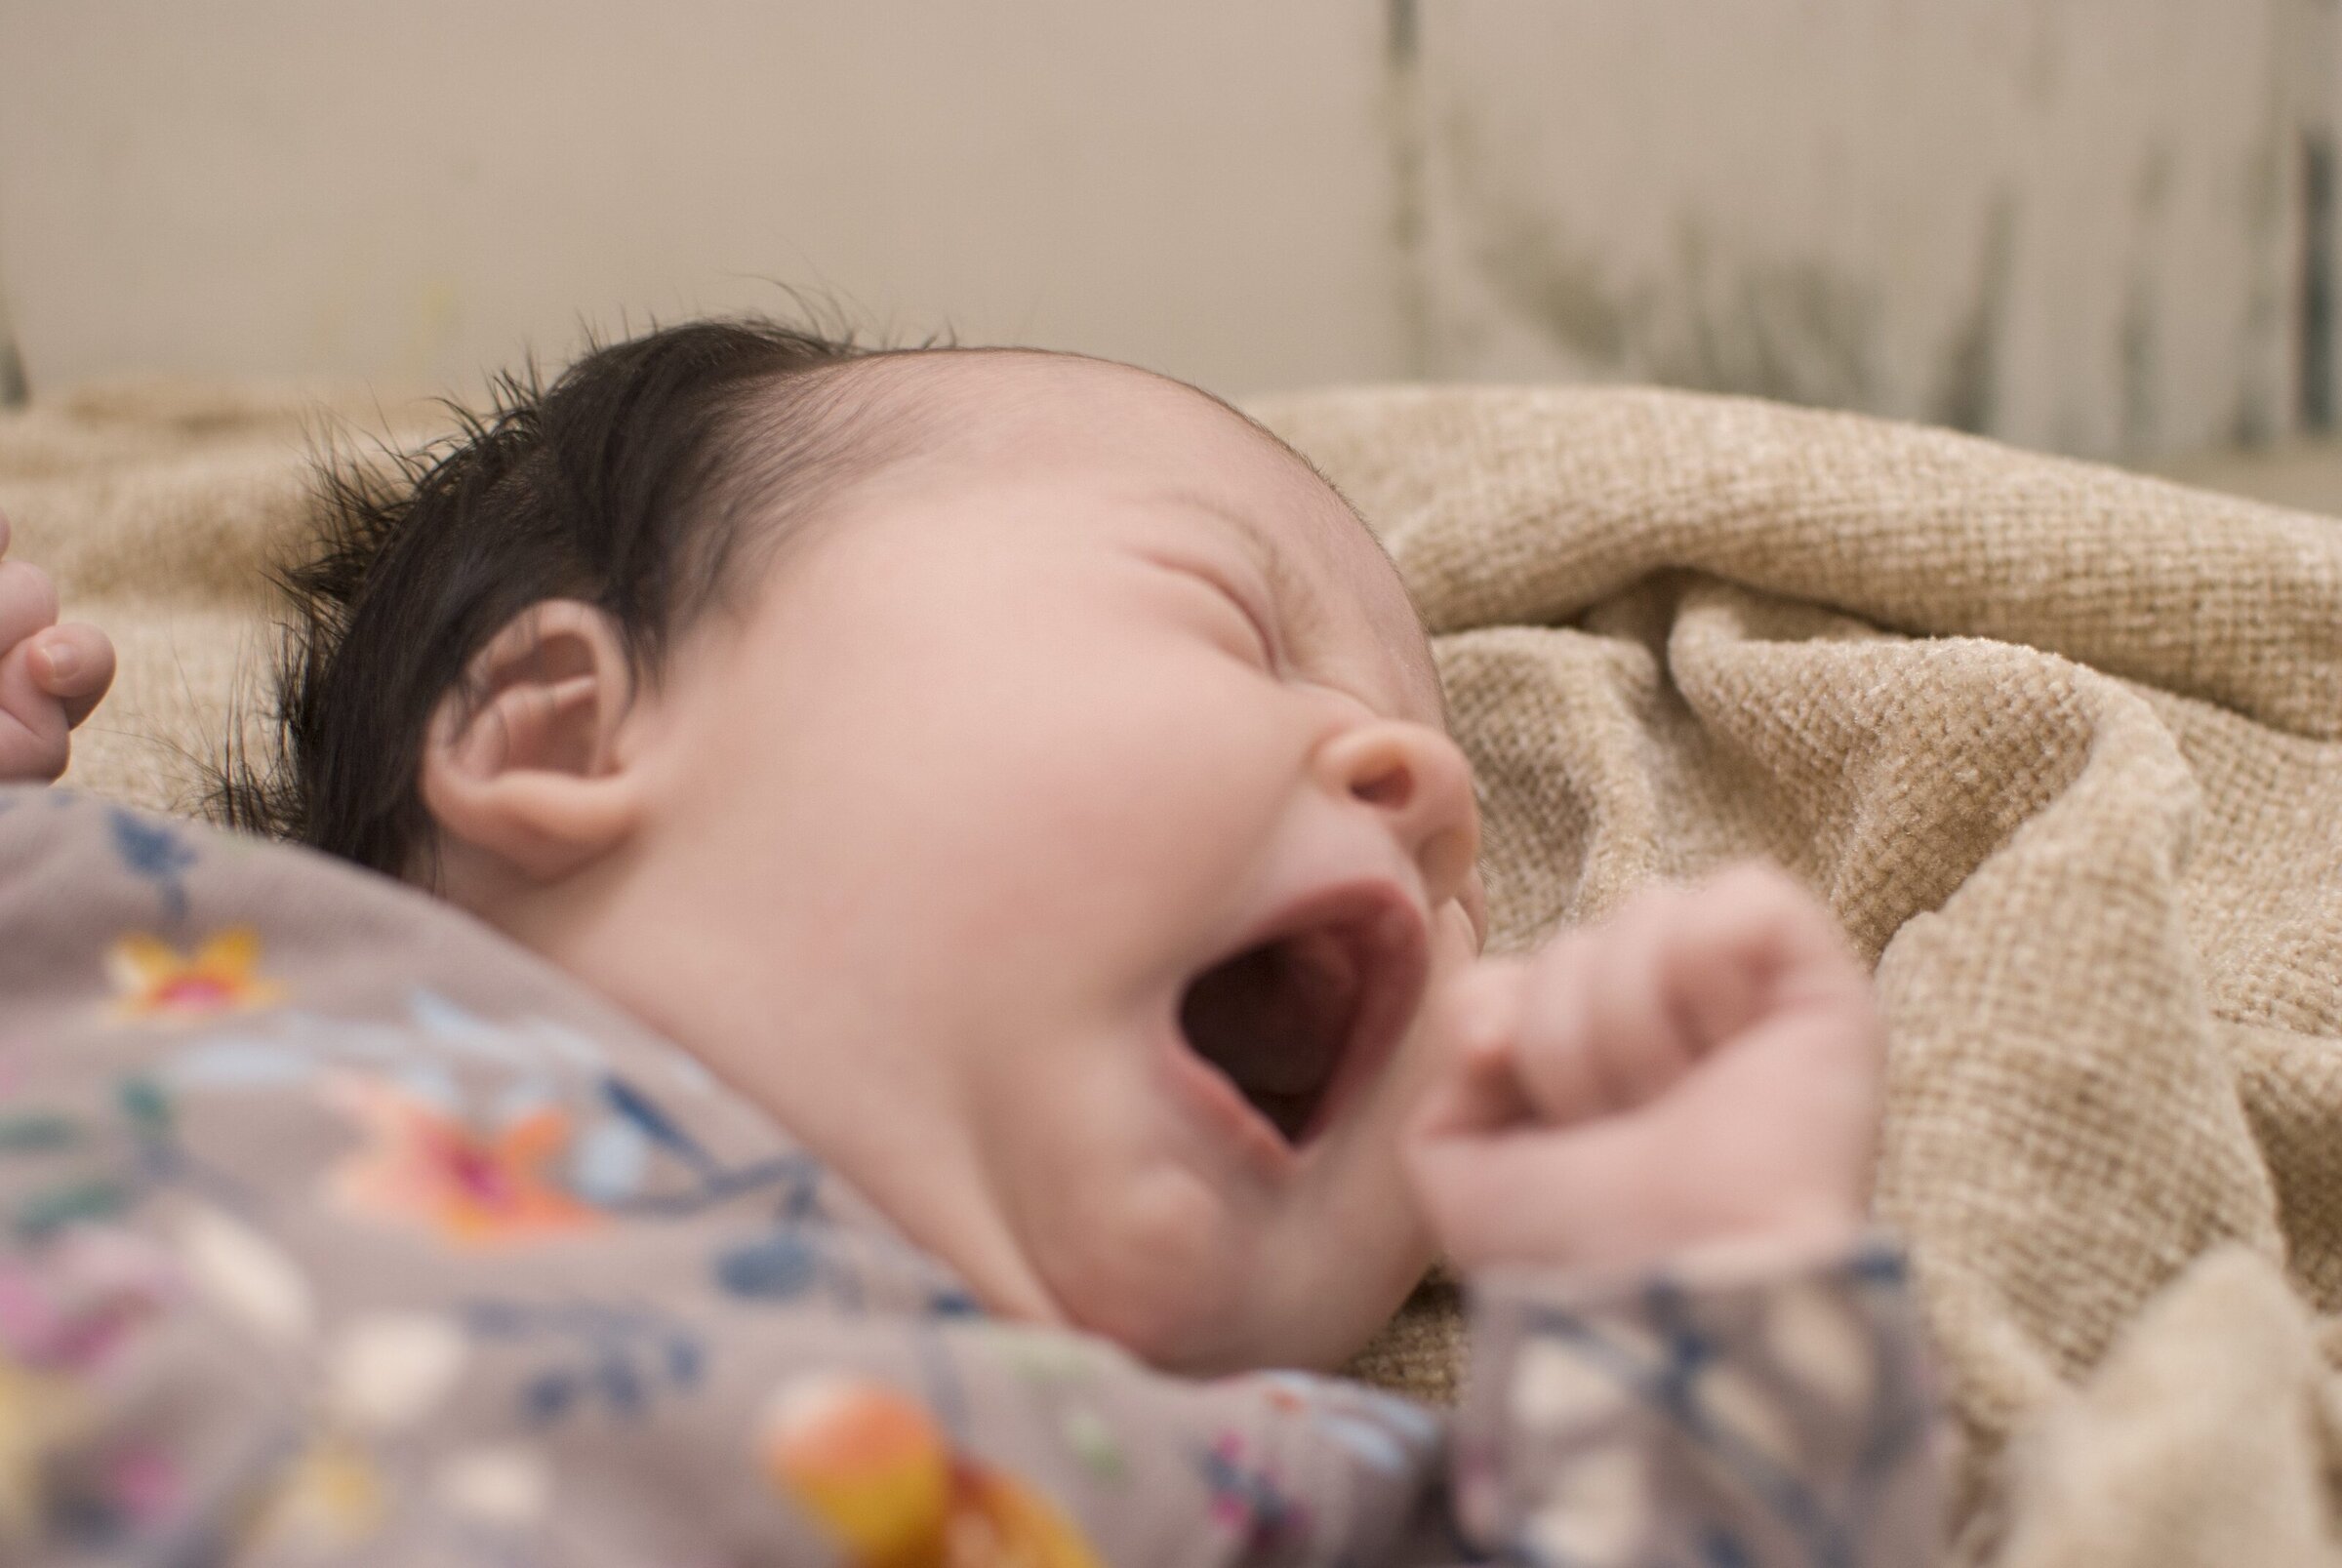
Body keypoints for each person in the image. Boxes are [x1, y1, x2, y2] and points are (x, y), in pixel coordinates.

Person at [0, 320, 1936, 1564]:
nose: (1425, 792)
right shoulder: (145, 949)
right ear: (565, 737)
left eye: (1478, 896)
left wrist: (1688, 1309)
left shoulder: (1251, 1487)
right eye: (1242, 633)